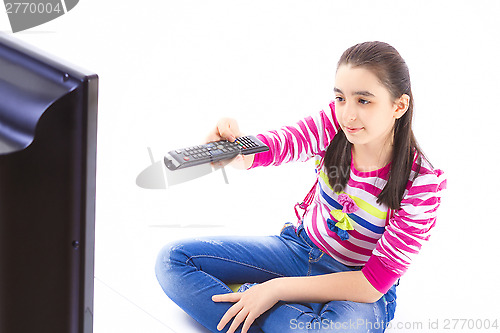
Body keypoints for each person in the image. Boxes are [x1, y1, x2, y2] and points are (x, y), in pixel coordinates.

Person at [155, 41, 447, 333]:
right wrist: (232, 149)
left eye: (364, 100)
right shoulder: (334, 125)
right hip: (301, 250)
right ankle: (274, 311)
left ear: (399, 105)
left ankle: (257, 302)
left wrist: (276, 290)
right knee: (173, 260)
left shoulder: (422, 183)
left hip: (358, 287)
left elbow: (372, 285)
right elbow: (281, 144)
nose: (348, 114)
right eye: (340, 98)